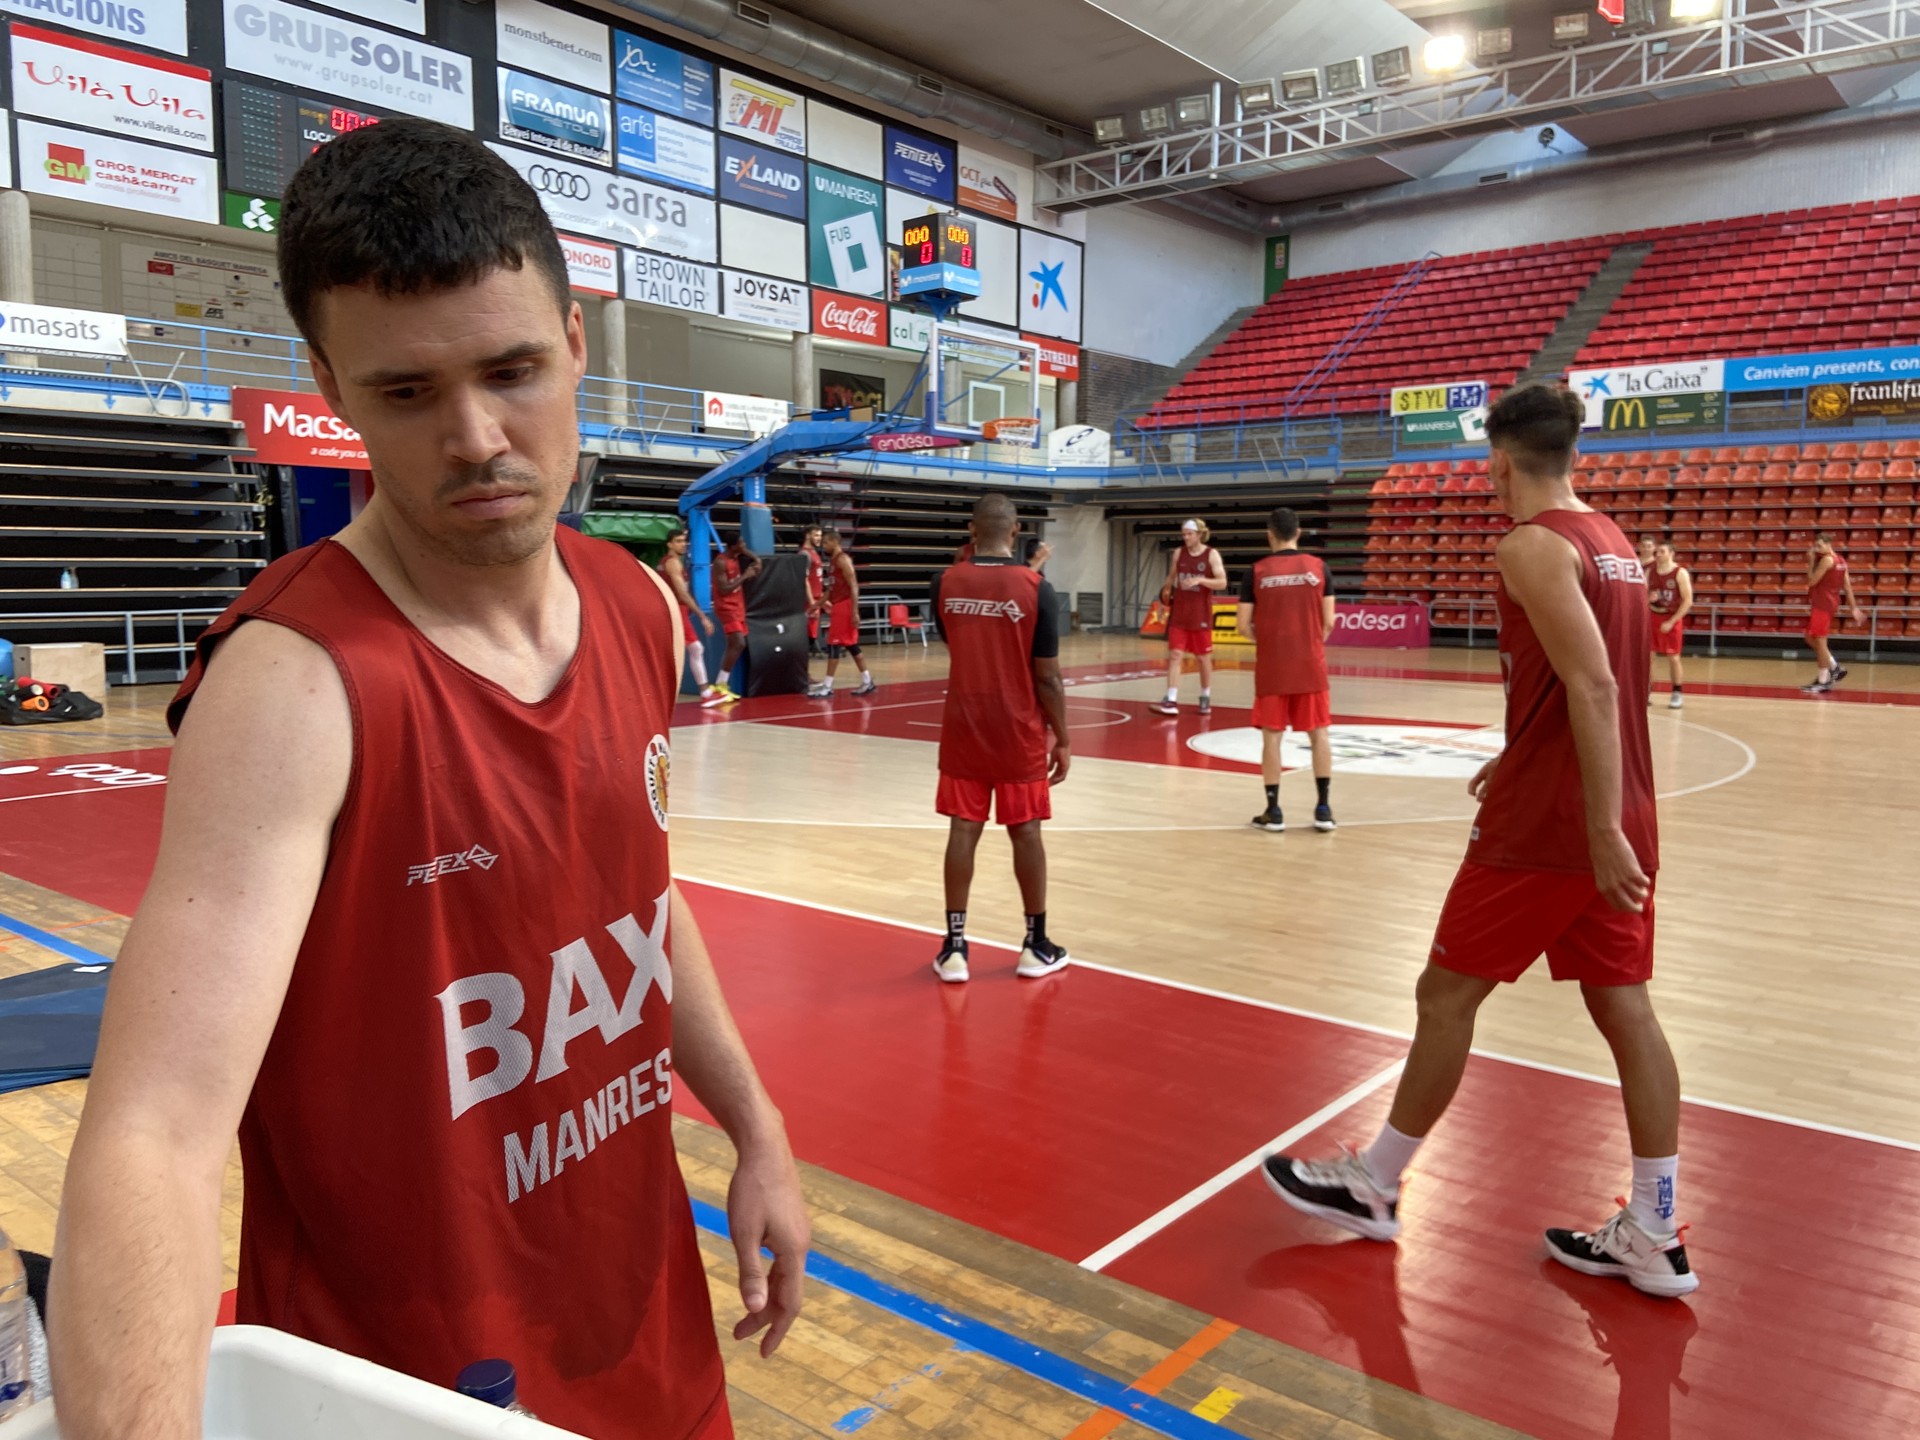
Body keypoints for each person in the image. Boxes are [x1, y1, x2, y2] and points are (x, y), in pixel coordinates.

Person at [47, 119, 810, 1440]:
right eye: (406, 393)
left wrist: (757, 1125)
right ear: (330, 387)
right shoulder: (293, 686)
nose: (474, 437)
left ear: (575, 340)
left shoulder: (637, 608)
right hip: (402, 1388)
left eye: (512, 372)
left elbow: (638, 898)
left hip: (648, 1336)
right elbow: (153, 1135)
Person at [1266, 383, 1697, 1300]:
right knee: (1627, 1009)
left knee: (1445, 993)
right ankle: (1656, 1231)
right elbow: (1582, 684)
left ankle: (1376, 1184)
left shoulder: (1530, 545)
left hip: (1554, 827)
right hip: (1616, 808)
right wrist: (1527, 754)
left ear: (1499, 461)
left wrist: (1593, 825)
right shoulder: (1614, 544)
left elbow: (1594, 686)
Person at [929, 494, 1071, 984]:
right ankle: (1036, 945)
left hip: (964, 724)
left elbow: (952, 639)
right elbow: (1048, 677)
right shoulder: (1037, 588)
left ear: (972, 531)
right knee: (1026, 831)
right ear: (1015, 532)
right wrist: (1063, 737)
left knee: (962, 830)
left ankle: (954, 949)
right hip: (1018, 729)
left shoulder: (944, 582)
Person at [1237, 507, 1336, 834]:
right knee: (1319, 734)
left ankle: (1273, 810)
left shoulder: (1256, 572)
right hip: (1310, 665)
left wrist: (1268, 642)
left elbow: (1242, 625)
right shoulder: (1319, 568)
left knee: (1272, 737)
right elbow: (1329, 622)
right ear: (1298, 532)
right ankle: (1323, 809)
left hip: (1272, 668)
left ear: (1270, 534)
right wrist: (1309, 642)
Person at [1151, 519, 1227, 716]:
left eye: (1189, 534)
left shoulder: (1211, 554)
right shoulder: (1179, 553)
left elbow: (1222, 582)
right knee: (1175, 655)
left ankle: (1205, 695)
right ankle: (1171, 699)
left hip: (1200, 614)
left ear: (1199, 534)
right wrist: (1162, 602)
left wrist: (1201, 580)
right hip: (1179, 614)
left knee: (1203, 658)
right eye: (1183, 534)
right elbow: (1170, 578)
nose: (1185, 537)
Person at [662, 525, 729, 706]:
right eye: (678, 541)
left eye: (684, 541)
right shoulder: (672, 563)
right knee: (695, 648)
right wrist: (702, 616)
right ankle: (705, 693)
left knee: (691, 650)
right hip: (676, 610)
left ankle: (704, 692)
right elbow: (682, 594)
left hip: (676, 610)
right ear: (669, 544)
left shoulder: (675, 562)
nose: (683, 544)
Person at [811, 528, 874, 698]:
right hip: (839, 605)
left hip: (845, 606)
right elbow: (831, 590)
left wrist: (854, 611)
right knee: (851, 645)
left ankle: (827, 686)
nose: (823, 546)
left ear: (834, 542)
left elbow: (854, 585)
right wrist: (816, 605)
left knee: (833, 644)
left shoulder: (843, 559)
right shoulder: (833, 561)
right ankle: (867, 680)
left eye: (826, 542)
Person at [1802, 532, 1863, 693]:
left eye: (1819, 546)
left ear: (1828, 544)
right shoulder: (1841, 561)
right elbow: (1847, 587)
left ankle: (1824, 680)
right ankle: (1834, 667)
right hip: (1830, 603)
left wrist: (1811, 561)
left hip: (1823, 604)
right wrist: (1853, 608)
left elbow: (1811, 581)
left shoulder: (1827, 560)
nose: (1817, 549)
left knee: (1820, 642)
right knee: (1809, 637)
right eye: (1816, 546)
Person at [1647, 538, 1692, 710]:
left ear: (1671, 554)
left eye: (1662, 551)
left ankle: (1677, 692)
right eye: (1656, 552)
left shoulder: (1680, 573)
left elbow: (1687, 601)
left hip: (1671, 618)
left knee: (1673, 657)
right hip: (1652, 616)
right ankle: (1647, 691)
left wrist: (1672, 622)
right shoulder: (1650, 571)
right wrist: (1647, 598)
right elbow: (1641, 594)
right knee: (1648, 657)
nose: (1657, 554)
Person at [713, 532, 761, 684]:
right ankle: (721, 684)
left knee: (734, 644)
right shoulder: (720, 562)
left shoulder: (737, 557)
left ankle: (721, 683)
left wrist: (757, 560)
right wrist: (745, 576)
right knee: (739, 643)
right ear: (733, 546)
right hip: (726, 607)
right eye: (741, 543)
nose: (744, 546)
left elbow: (750, 554)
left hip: (738, 606)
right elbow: (724, 590)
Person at [800, 524, 825, 656]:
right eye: (816, 535)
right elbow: (804, 580)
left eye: (820, 535)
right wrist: (812, 603)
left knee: (813, 632)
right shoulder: (804, 554)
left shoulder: (814, 552)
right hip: (810, 600)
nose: (819, 538)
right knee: (808, 633)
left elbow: (817, 579)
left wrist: (823, 600)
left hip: (817, 597)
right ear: (808, 535)